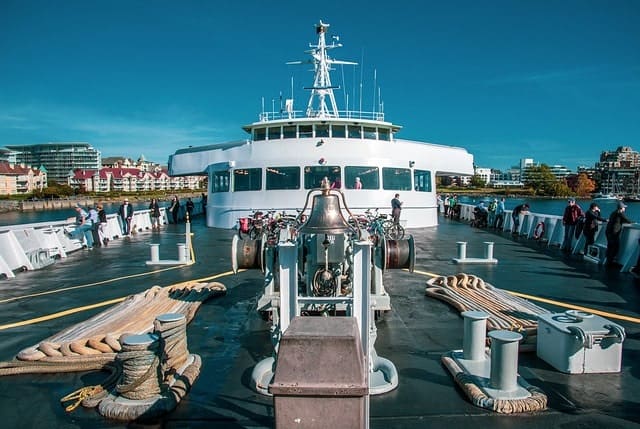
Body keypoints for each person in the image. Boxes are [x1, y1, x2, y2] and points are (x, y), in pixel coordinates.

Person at [605, 201, 632, 267]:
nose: (625, 209)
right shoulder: (620, 213)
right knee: (615, 247)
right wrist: (633, 222)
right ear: (621, 208)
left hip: (608, 231)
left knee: (610, 247)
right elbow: (627, 220)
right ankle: (610, 263)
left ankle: (608, 262)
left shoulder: (613, 213)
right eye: (624, 207)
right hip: (614, 233)